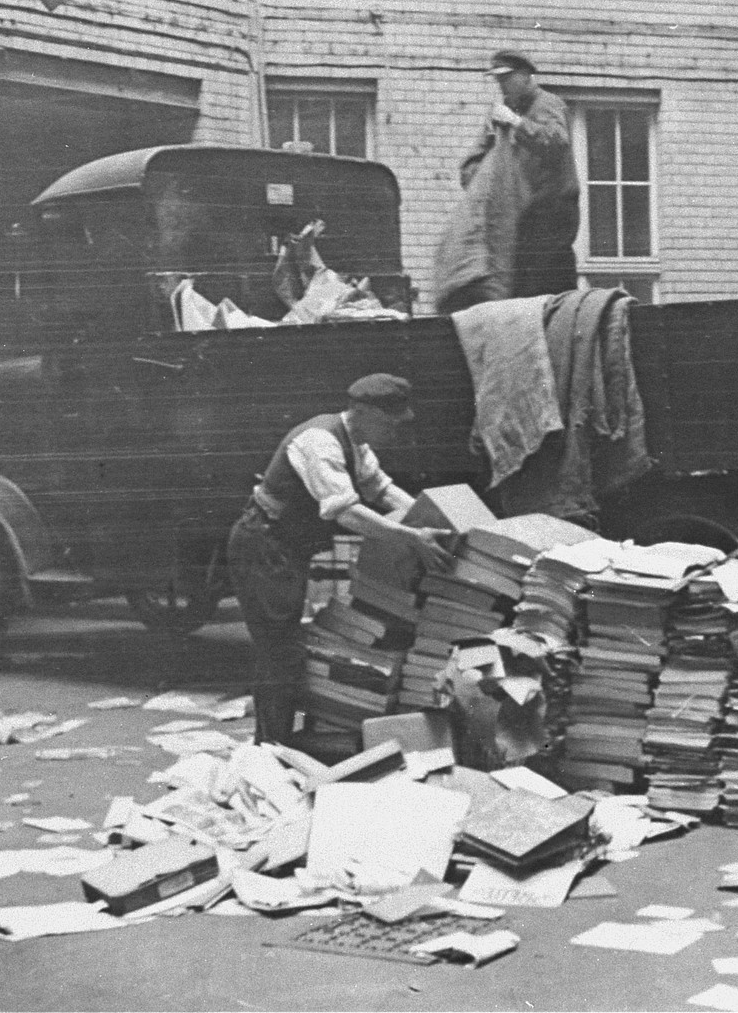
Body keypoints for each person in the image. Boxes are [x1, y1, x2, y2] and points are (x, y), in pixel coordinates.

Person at [227, 373, 453, 745]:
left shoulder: (356, 441)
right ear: (360, 411)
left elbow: (380, 488)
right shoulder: (320, 441)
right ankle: (269, 749)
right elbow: (346, 512)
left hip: (285, 548)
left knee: (284, 649)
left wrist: (434, 517)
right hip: (262, 546)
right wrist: (413, 537)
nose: (395, 432)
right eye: (389, 423)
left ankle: (278, 742)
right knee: (280, 652)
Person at [432, 49, 581, 312]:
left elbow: (556, 142)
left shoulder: (548, 104)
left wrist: (516, 123)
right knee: (519, 291)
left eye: (507, 79)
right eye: (497, 80)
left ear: (526, 76)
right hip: (519, 217)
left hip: (551, 215)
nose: (501, 86)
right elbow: (471, 167)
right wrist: (487, 173)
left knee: (550, 293)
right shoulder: (501, 115)